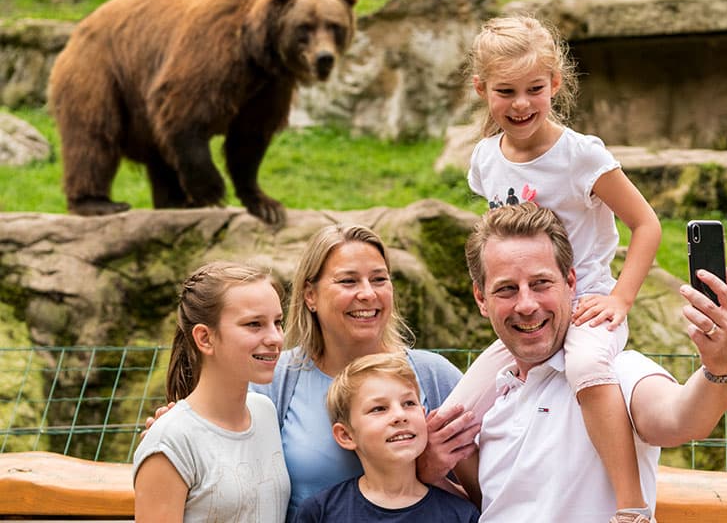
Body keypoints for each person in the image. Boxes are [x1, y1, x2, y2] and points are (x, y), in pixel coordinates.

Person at [444, 14, 663, 522]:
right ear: (481, 90)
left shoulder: (580, 156)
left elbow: (646, 224)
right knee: (451, 416)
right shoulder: (484, 158)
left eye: (533, 89)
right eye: (506, 91)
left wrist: (618, 299)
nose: (521, 104)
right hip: (529, 314)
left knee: (588, 368)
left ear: (555, 85)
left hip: (583, 308)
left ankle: (633, 508)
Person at [145, 224, 481, 521]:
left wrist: (429, 474)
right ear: (310, 295)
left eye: (379, 279)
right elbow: (219, 436)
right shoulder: (275, 380)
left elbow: (493, 494)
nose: (367, 293)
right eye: (348, 281)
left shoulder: (433, 375)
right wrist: (179, 430)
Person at [450, 202, 727, 523]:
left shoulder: (613, 373)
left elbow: (681, 419)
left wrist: (720, 366)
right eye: (507, 289)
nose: (526, 304)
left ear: (571, 282)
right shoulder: (489, 407)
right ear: (481, 299)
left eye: (541, 284)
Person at [133, 261, 291, 522]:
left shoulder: (264, 412)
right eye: (254, 324)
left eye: (277, 322)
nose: (275, 338)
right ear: (205, 338)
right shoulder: (169, 441)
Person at [291, 352, 480, 522]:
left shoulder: (461, 515)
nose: (400, 415)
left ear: (423, 415)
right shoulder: (319, 513)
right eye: (379, 408)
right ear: (346, 435)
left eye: (408, 403)